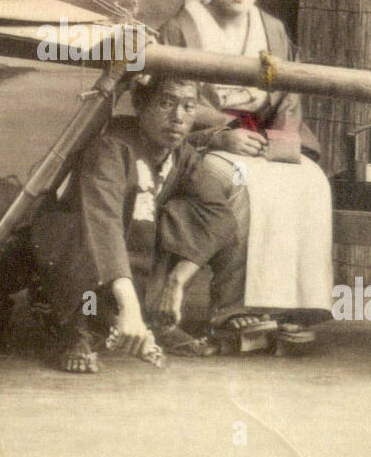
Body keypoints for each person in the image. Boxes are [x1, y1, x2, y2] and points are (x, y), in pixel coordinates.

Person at [158, 0, 335, 341]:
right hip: (205, 143)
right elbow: (170, 99)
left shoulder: (271, 28)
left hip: (263, 137)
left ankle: (298, 305)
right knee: (240, 183)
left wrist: (280, 141)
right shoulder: (180, 28)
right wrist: (219, 134)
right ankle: (232, 307)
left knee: (310, 181)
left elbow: (288, 92)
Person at [30, 75, 248, 373]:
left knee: (191, 216)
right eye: (166, 103)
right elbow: (103, 224)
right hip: (83, 257)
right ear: (140, 105)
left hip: (130, 256)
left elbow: (220, 218)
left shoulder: (182, 154)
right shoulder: (111, 145)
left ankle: (152, 319)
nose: (178, 118)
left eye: (188, 106)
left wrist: (177, 281)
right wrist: (129, 308)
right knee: (86, 235)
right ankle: (77, 333)